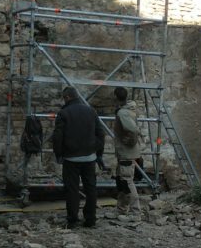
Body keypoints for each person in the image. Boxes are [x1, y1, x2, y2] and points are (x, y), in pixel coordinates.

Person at [53, 87, 105, 228]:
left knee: (72, 190)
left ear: (67, 98)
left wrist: (58, 154)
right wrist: (98, 153)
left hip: (71, 159)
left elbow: (58, 136)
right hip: (89, 157)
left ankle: (73, 220)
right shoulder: (91, 111)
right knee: (91, 189)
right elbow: (101, 133)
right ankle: (90, 220)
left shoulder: (63, 113)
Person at [112, 86, 142, 215]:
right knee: (122, 182)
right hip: (124, 153)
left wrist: (130, 141)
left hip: (126, 153)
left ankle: (136, 213)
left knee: (127, 182)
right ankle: (121, 210)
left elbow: (134, 130)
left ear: (115, 97)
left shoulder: (123, 113)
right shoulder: (127, 110)